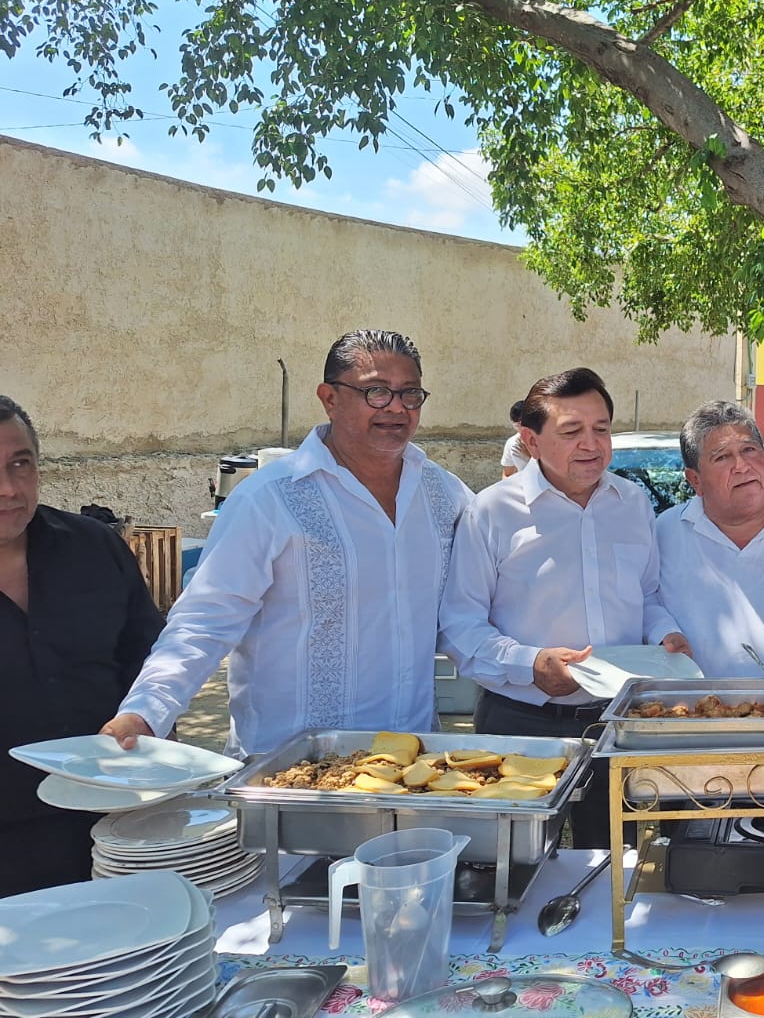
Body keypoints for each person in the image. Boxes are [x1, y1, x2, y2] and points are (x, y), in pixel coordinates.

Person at [102, 331, 473, 757]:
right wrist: (146, 711)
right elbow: (206, 620)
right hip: (288, 770)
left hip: (411, 762)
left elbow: (470, 612)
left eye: (410, 394)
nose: (395, 408)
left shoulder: (445, 496)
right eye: (376, 392)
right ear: (329, 399)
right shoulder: (269, 500)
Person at [438, 367, 687, 847]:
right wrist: (530, 664)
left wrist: (664, 634)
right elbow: (459, 624)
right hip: (520, 722)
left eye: (601, 429)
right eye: (571, 431)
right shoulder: (492, 511)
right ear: (530, 441)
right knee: (514, 860)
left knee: (610, 860)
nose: (591, 444)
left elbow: (647, 595)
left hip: (615, 720)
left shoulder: (631, 503)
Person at [0, 398, 165, 897]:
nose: (8, 488)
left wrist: (149, 725)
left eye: (20, 464)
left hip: (117, 829)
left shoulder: (94, 548)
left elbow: (152, 664)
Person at [656, 401, 764, 678]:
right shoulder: (664, 531)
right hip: (699, 703)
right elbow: (645, 600)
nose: (742, 466)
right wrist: (663, 631)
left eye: (749, 450)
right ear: (695, 480)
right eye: (722, 457)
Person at [501, 399, 531, 479]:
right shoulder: (512, 443)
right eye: (517, 426)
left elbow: (551, 472)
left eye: (524, 425)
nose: (521, 429)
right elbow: (507, 475)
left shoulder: (545, 440)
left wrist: (530, 455)